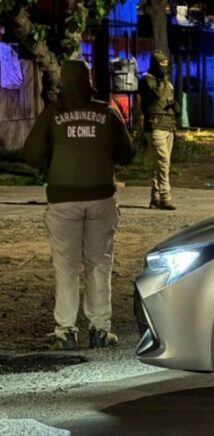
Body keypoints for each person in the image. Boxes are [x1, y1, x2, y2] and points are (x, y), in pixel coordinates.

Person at [22, 60, 135, 350]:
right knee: (99, 263)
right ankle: (99, 329)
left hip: (62, 199)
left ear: (63, 83)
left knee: (66, 266)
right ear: (89, 82)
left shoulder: (53, 113)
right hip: (101, 197)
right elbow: (127, 154)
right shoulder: (106, 111)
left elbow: (31, 154)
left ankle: (66, 331)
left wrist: (53, 161)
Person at [140, 51, 178, 210]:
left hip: (168, 126)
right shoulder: (148, 80)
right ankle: (165, 196)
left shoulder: (167, 83)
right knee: (163, 162)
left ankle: (155, 197)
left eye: (166, 64)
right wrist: (162, 78)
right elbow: (157, 94)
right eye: (161, 64)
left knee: (159, 163)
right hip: (155, 126)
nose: (165, 67)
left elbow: (170, 99)